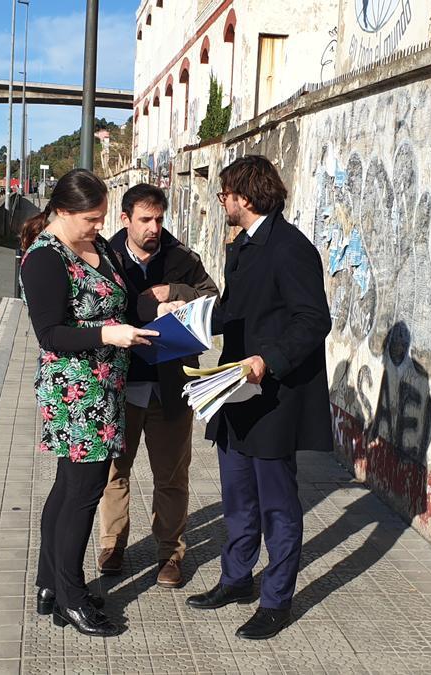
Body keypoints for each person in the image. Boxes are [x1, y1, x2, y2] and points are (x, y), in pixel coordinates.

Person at [185, 155, 332, 640]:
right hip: (234, 391)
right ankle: (236, 579)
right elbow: (236, 311)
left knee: (277, 506)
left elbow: (313, 320)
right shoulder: (242, 245)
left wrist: (268, 360)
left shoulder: (290, 248)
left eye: (225, 193)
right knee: (238, 498)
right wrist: (188, 315)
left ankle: (276, 601)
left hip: (272, 396)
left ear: (244, 198)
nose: (221, 201)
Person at [19, 169, 168, 638]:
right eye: (91, 218)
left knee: (68, 491)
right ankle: (71, 595)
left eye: (103, 217)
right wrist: (109, 333)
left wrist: (158, 309)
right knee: (82, 495)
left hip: (104, 386)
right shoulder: (45, 258)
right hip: (75, 392)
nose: (99, 226)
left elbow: (117, 302)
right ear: (61, 211)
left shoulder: (97, 247)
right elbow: (50, 334)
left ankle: (49, 585)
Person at [97, 183, 219, 588]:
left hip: (172, 385)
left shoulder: (182, 257)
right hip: (120, 384)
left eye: (159, 220)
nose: (153, 228)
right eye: (145, 220)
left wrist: (177, 292)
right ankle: (113, 544)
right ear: (125, 219)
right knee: (116, 471)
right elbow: (102, 308)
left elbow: (213, 300)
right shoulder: (104, 257)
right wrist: (150, 305)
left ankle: (170, 553)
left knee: (172, 475)